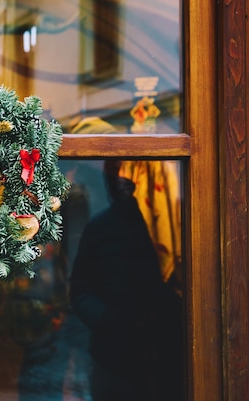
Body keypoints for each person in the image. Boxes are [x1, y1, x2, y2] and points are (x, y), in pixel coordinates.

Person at [69, 160, 183, 401]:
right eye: (114, 174)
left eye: (129, 173)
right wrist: (108, 319)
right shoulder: (100, 227)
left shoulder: (172, 224)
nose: (121, 180)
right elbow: (80, 289)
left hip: (167, 351)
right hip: (113, 356)